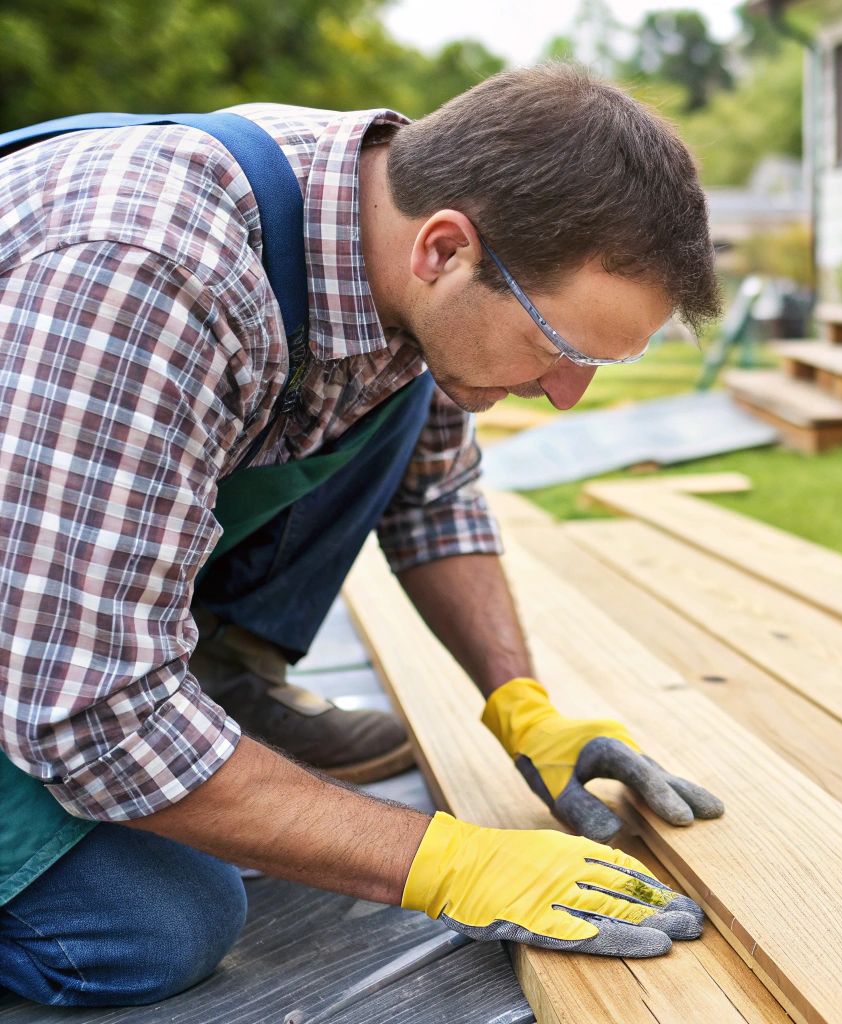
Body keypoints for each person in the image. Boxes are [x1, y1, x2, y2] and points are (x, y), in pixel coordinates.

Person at [0, 63, 725, 1007]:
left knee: (405, 399)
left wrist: (522, 707)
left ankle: (219, 691)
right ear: (444, 250)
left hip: (49, 556)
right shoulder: (152, 272)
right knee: (151, 925)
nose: (565, 393)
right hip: (42, 625)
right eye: (560, 347)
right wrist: (447, 863)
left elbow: (435, 497)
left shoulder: (387, 229)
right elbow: (88, 715)